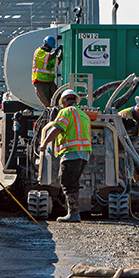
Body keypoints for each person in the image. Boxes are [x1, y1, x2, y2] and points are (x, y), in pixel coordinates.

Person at [38, 89, 89, 222]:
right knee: (73, 182)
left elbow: (57, 128)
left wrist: (44, 143)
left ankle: (73, 213)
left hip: (71, 153)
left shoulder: (66, 112)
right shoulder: (83, 114)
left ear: (64, 102)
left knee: (67, 182)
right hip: (84, 155)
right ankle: (74, 212)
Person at [31, 35, 60, 108]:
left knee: (58, 98)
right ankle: (49, 116)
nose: (50, 49)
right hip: (40, 82)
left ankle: (57, 115)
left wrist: (61, 52)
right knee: (47, 104)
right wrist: (57, 50)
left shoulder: (50, 54)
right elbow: (50, 57)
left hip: (50, 82)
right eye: (50, 47)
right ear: (45, 44)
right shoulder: (39, 52)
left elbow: (57, 62)